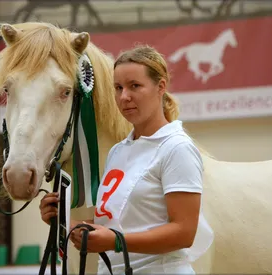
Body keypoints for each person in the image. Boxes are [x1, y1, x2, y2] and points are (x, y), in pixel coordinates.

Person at [40, 45, 214, 274]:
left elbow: (184, 232)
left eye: (135, 86)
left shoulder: (176, 147)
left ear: (161, 86)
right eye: (118, 87)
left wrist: (116, 241)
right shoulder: (118, 151)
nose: (124, 97)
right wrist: (65, 223)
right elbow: (113, 225)